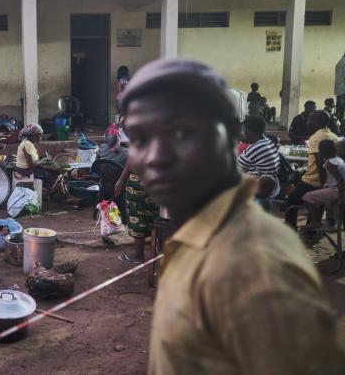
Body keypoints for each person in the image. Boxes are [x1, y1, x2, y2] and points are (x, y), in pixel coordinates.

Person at [117, 58, 344, 375]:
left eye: (181, 132)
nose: (155, 156)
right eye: (140, 138)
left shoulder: (253, 265)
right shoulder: (194, 235)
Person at [285, 110, 339, 228]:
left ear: (317, 122)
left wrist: (321, 184)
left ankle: (290, 230)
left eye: (310, 119)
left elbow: (319, 160)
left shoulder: (316, 137)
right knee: (316, 203)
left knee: (290, 202)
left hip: (313, 180)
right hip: (329, 181)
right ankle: (311, 230)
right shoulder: (333, 136)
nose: (307, 122)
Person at [114, 159, 158, 264]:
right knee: (156, 215)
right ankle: (158, 250)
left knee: (137, 217)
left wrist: (121, 180)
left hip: (140, 183)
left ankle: (138, 256)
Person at [302, 139, 345, 229]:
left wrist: (340, 198)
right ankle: (321, 217)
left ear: (321, 153)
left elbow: (341, 181)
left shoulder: (330, 164)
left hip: (337, 190)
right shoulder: (338, 160)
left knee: (307, 196)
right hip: (337, 189)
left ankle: (315, 222)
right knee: (319, 192)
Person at [238, 115, 280, 204]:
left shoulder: (255, 148)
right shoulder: (268, 142)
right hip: (271, 189)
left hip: (258, 191)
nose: (243, 135)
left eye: (245, 132)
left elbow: (238, 170)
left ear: (251, 132)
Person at [335, 53, 345, 122]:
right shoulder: (343, 63)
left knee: (340, 113)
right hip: (343, 91)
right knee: (341, 113)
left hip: (340, 92)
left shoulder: (340, 63)